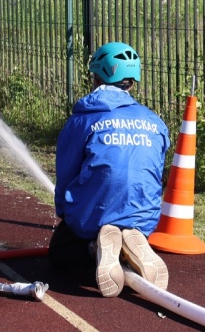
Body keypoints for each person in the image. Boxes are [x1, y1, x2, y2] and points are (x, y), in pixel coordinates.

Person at [48, 41, 171, 297]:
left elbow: (66, 171)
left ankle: (96, 247)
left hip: (93, 217)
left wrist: (63, 213)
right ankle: (131, 240)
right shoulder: (154, 121)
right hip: (143, 216)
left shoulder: (84, 118)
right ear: (133, 82)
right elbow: (154, 173)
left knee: (61, 255)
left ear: (96, 76)